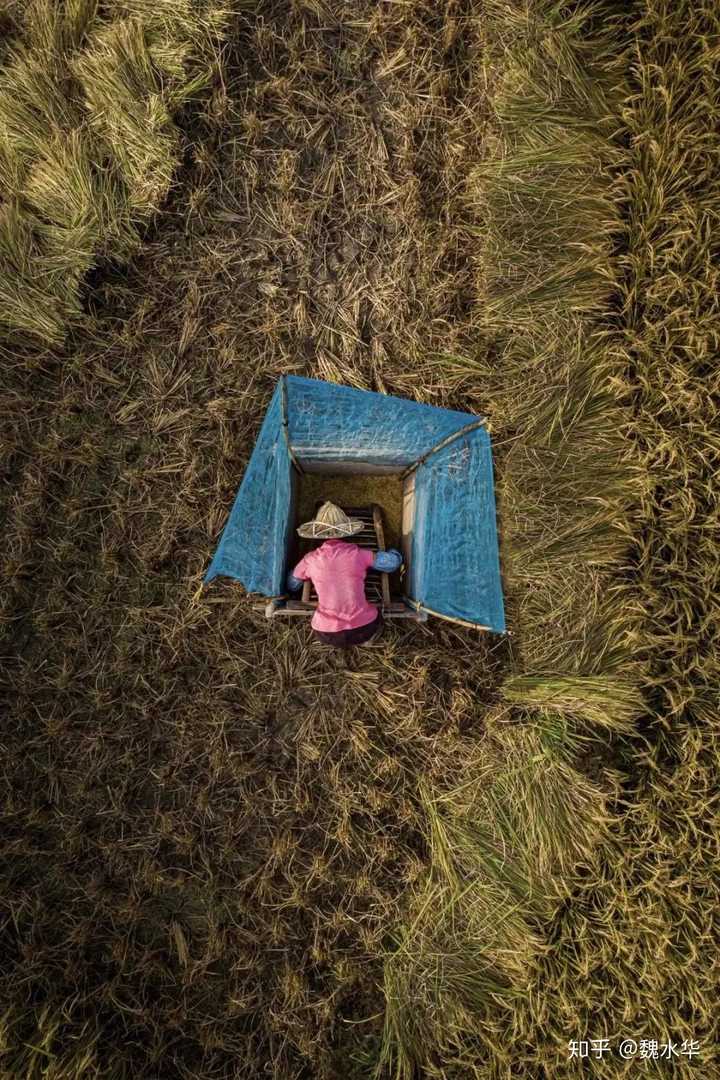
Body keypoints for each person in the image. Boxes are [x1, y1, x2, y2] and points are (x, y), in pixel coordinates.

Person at [286, 501, 403, 648]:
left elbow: (292, 584)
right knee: (375, 617)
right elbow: (392, 564)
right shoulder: (356, 553)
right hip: (363, 628)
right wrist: (394, 551)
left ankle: (343, 643)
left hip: (326, 633)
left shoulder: (310, 559)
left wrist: (297, 573)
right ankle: (366, 641)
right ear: (347, 531)